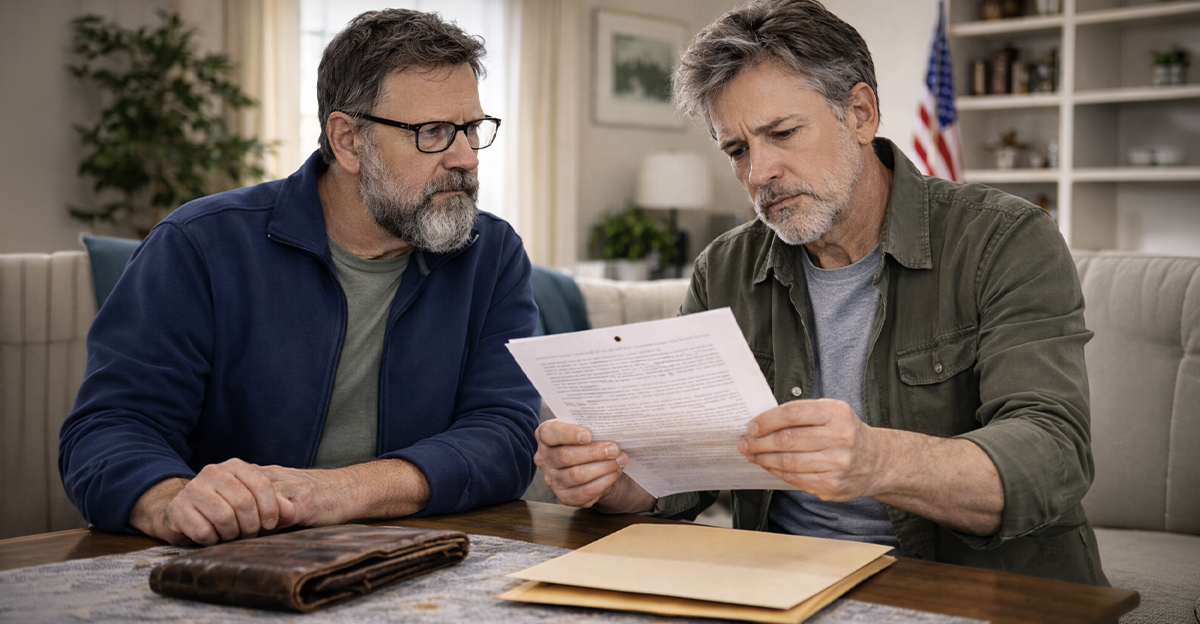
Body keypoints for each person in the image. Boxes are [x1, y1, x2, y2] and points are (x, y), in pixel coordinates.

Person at [534, 0, 1107, 585]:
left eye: (782, 133)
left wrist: (877, 460)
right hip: (781, 586)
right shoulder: (725, 267)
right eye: (737, 150)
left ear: (859, 114)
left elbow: (1052, 454)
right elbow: (682, 477)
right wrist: (613, 481)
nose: (758, 173)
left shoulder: (1005, 240)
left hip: (970, 589)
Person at [59, 9, 540, 547]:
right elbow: (108, 431)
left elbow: (506, 437)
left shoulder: (491, 252)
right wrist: (171, 501)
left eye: (473, 128)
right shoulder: (198, 244)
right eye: (433, 133)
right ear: (348, 141)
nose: (466, 157)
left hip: (420, 556)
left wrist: (337, 493)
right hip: (235, 558)